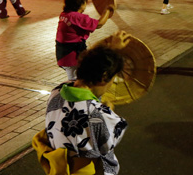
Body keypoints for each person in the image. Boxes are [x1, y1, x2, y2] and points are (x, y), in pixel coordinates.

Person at [36, 36, 128, 174]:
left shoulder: (56, 93)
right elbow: (107, 145)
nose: (110, 85)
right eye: (112, 80)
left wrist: (110, 52)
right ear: (104, 77)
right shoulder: (99, 115)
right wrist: (107, 110)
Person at [56, 0, 114, 81]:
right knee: (76, 81)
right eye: (85, 2)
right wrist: (107, 10)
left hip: (63, 54)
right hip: (72, 57)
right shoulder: (77, 17)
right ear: (80, 4)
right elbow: (99, 24)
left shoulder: (65, 14)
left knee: (82, 75)